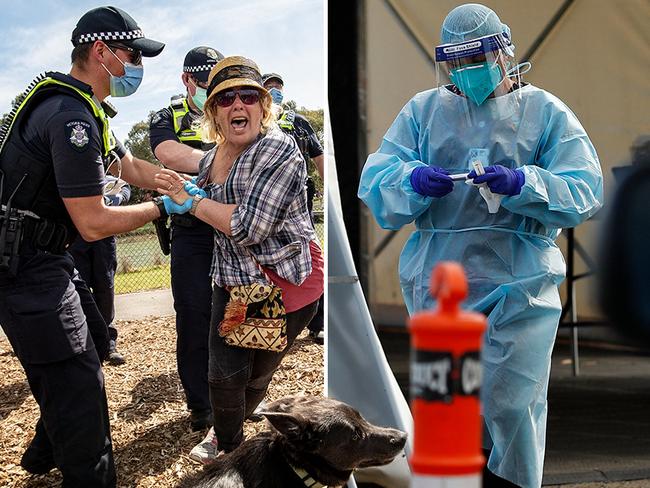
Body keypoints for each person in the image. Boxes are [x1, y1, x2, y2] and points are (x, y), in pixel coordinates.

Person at [358, 4, 603, 488]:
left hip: (520, 280)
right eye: (458, 64)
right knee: (449, 404)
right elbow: (377, 178)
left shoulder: (544, 111)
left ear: (504, 54)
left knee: (511, 401)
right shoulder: (423, 111)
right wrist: (412, 178)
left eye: (478, 60)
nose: (467, 74)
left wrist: (524, 182)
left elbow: (583, 190)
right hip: (438, 279)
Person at [0, 6, 184, 486]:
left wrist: (182, 181)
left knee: (96, 340)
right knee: (82, 397)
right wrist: (165, 210)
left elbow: (129, 167)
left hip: (47, 259)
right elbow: (94, 221)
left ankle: (43, 451)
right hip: (28, 270)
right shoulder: (69, 117)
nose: (136, 66)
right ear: (101, 52)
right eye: (132, 55)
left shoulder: (89, 109)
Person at [155, 56, 324, 464]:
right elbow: (187, 182)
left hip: (287, 283)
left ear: (263, 106)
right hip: (237, 280)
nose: (237, 105)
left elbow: (249, 228)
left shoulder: (278, 150)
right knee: (224, 375)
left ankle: (232, 429)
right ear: (212, 111)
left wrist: (191, 203)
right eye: (225, 98)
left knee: (256, 377)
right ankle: (229, 444)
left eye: (248, 95)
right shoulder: (214, 157)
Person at [149, 46, 224, 431]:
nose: (213, 90)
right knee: (194, 316)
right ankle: (201, 404)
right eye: (206, 83)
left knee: (238, 313)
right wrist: (221, 160)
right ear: (187, 81)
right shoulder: (168, 115)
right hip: (191, 232)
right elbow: (167, 153)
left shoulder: (231, 107)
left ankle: (236, 393)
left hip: (230, 226)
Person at [262, 72, 325, 344]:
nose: (275, 91)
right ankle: (270, 322)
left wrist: (329, 189)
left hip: (299, 203)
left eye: (279, 87)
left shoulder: (298, 123)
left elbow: (320, 157)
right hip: (266, 204)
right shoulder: (259, 123)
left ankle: (318, 323)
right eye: (270, 87)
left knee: (310, 259)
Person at [68, 176, 131, 366]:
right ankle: (84, 345)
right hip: (75, 236)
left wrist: (118, 198)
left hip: (104, 237)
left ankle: (108, 344)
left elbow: (125, 186)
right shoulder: (69, 171)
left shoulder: (106, 175)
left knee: (105, 288)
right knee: (80, 290)